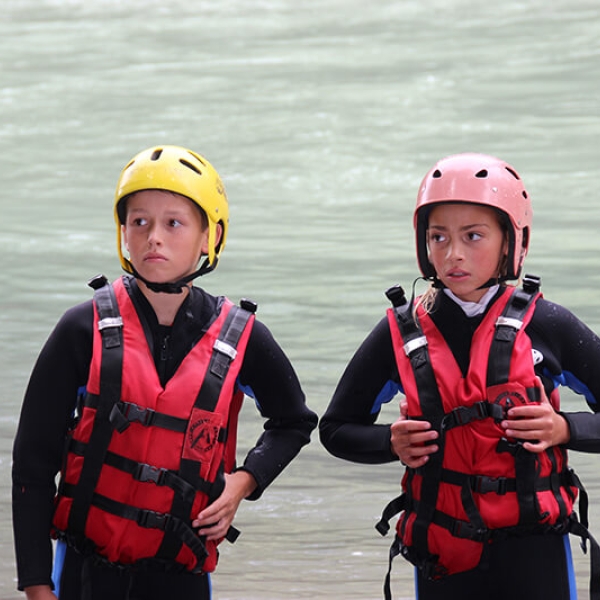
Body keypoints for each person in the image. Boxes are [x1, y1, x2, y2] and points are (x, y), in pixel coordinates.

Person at [12, 145, 318, 600]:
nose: (154, 236)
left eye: (173, 223)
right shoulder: (81, 329)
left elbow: (294, 423)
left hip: (181, 579)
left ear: (209, 236)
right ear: (124, 233)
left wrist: (242, 482)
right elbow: (32, 466)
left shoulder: (243, 339)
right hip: (84, 573)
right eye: (140, 222)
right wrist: (37, 584)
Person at [319, 153, 600, 600]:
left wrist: (565, 428)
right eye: (438, 237)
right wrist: (389, 442)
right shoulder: (398, 332)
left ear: (512, 241)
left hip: (534, 551)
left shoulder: (550, 325)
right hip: (443, 554)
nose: (453, 254)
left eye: (474, 236)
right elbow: (335, 430)